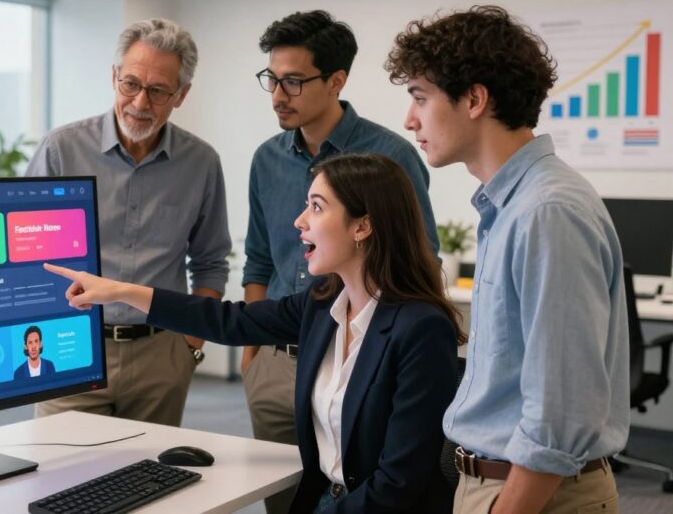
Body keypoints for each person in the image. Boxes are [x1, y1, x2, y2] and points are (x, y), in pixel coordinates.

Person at [47, 153, 463, 514]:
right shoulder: (322, 304)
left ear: (362, 226)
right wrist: (119, 291)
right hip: (328, 499)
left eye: (317, 207)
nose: (300, 221)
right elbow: (231, 321)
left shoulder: (421, 329)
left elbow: (399, 482)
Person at [385, 5, 629, 514]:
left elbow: (562, 411)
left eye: (420, 97)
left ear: (474, 99)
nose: (410, 120)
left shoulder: (546, 212)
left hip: (534, 495)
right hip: (500, 484)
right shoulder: (511, 205)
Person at [242, 10, 440, 514]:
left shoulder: (389, 156)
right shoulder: (266, 158)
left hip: (359, 360)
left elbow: (420, 256)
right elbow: (258, 260)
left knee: (360, 493)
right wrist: (253, 354)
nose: (278, 95)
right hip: (278, 360)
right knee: (288, 503)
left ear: (336, 81)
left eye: (293, 81)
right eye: (271, 79)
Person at [26, 18, 230, 426]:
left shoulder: (201, 162)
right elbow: (27, 252)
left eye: (158, 91)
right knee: (61, 462)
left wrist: (190, 344)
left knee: (150, 466)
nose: (140, 102)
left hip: (161, 354)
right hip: (72, 345)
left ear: (182, 94)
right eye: (131, 84)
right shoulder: (61, 149)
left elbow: (210, 261)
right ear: (114, 77)